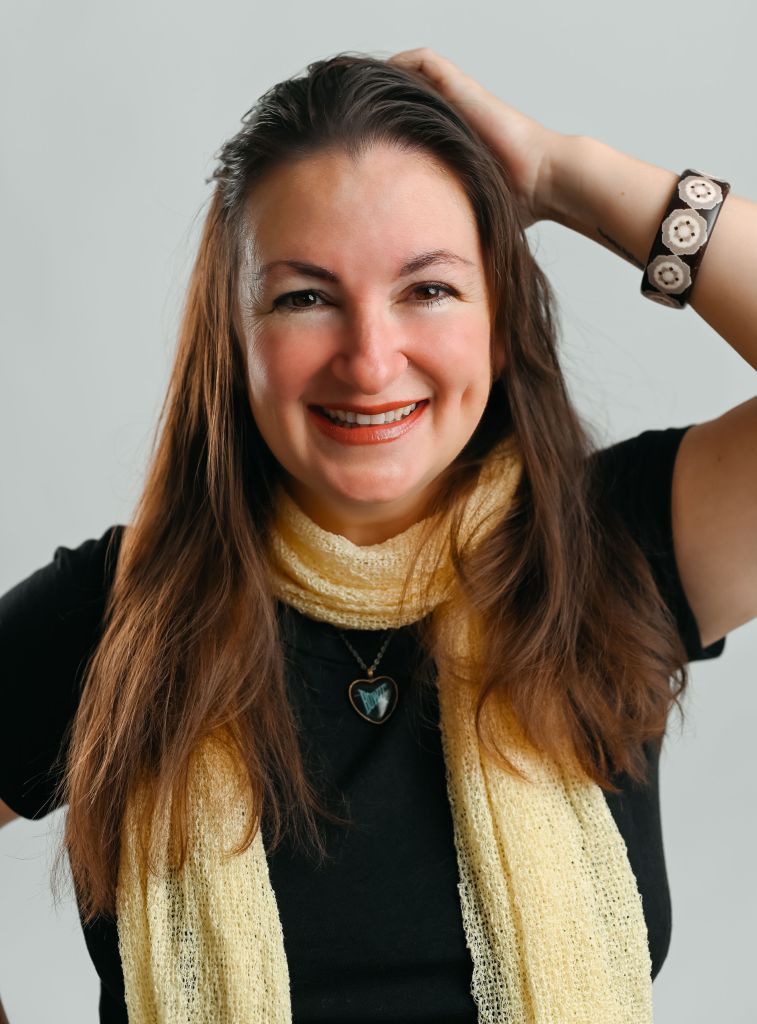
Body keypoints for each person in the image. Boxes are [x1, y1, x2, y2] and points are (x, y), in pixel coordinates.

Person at [1, 46, 755, 1024]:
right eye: (305, 297)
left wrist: (562, 175)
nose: (368, 360)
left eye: (427, 289)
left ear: (499, 319)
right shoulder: (119, 612)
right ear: (235, 337)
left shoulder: (607, 548)